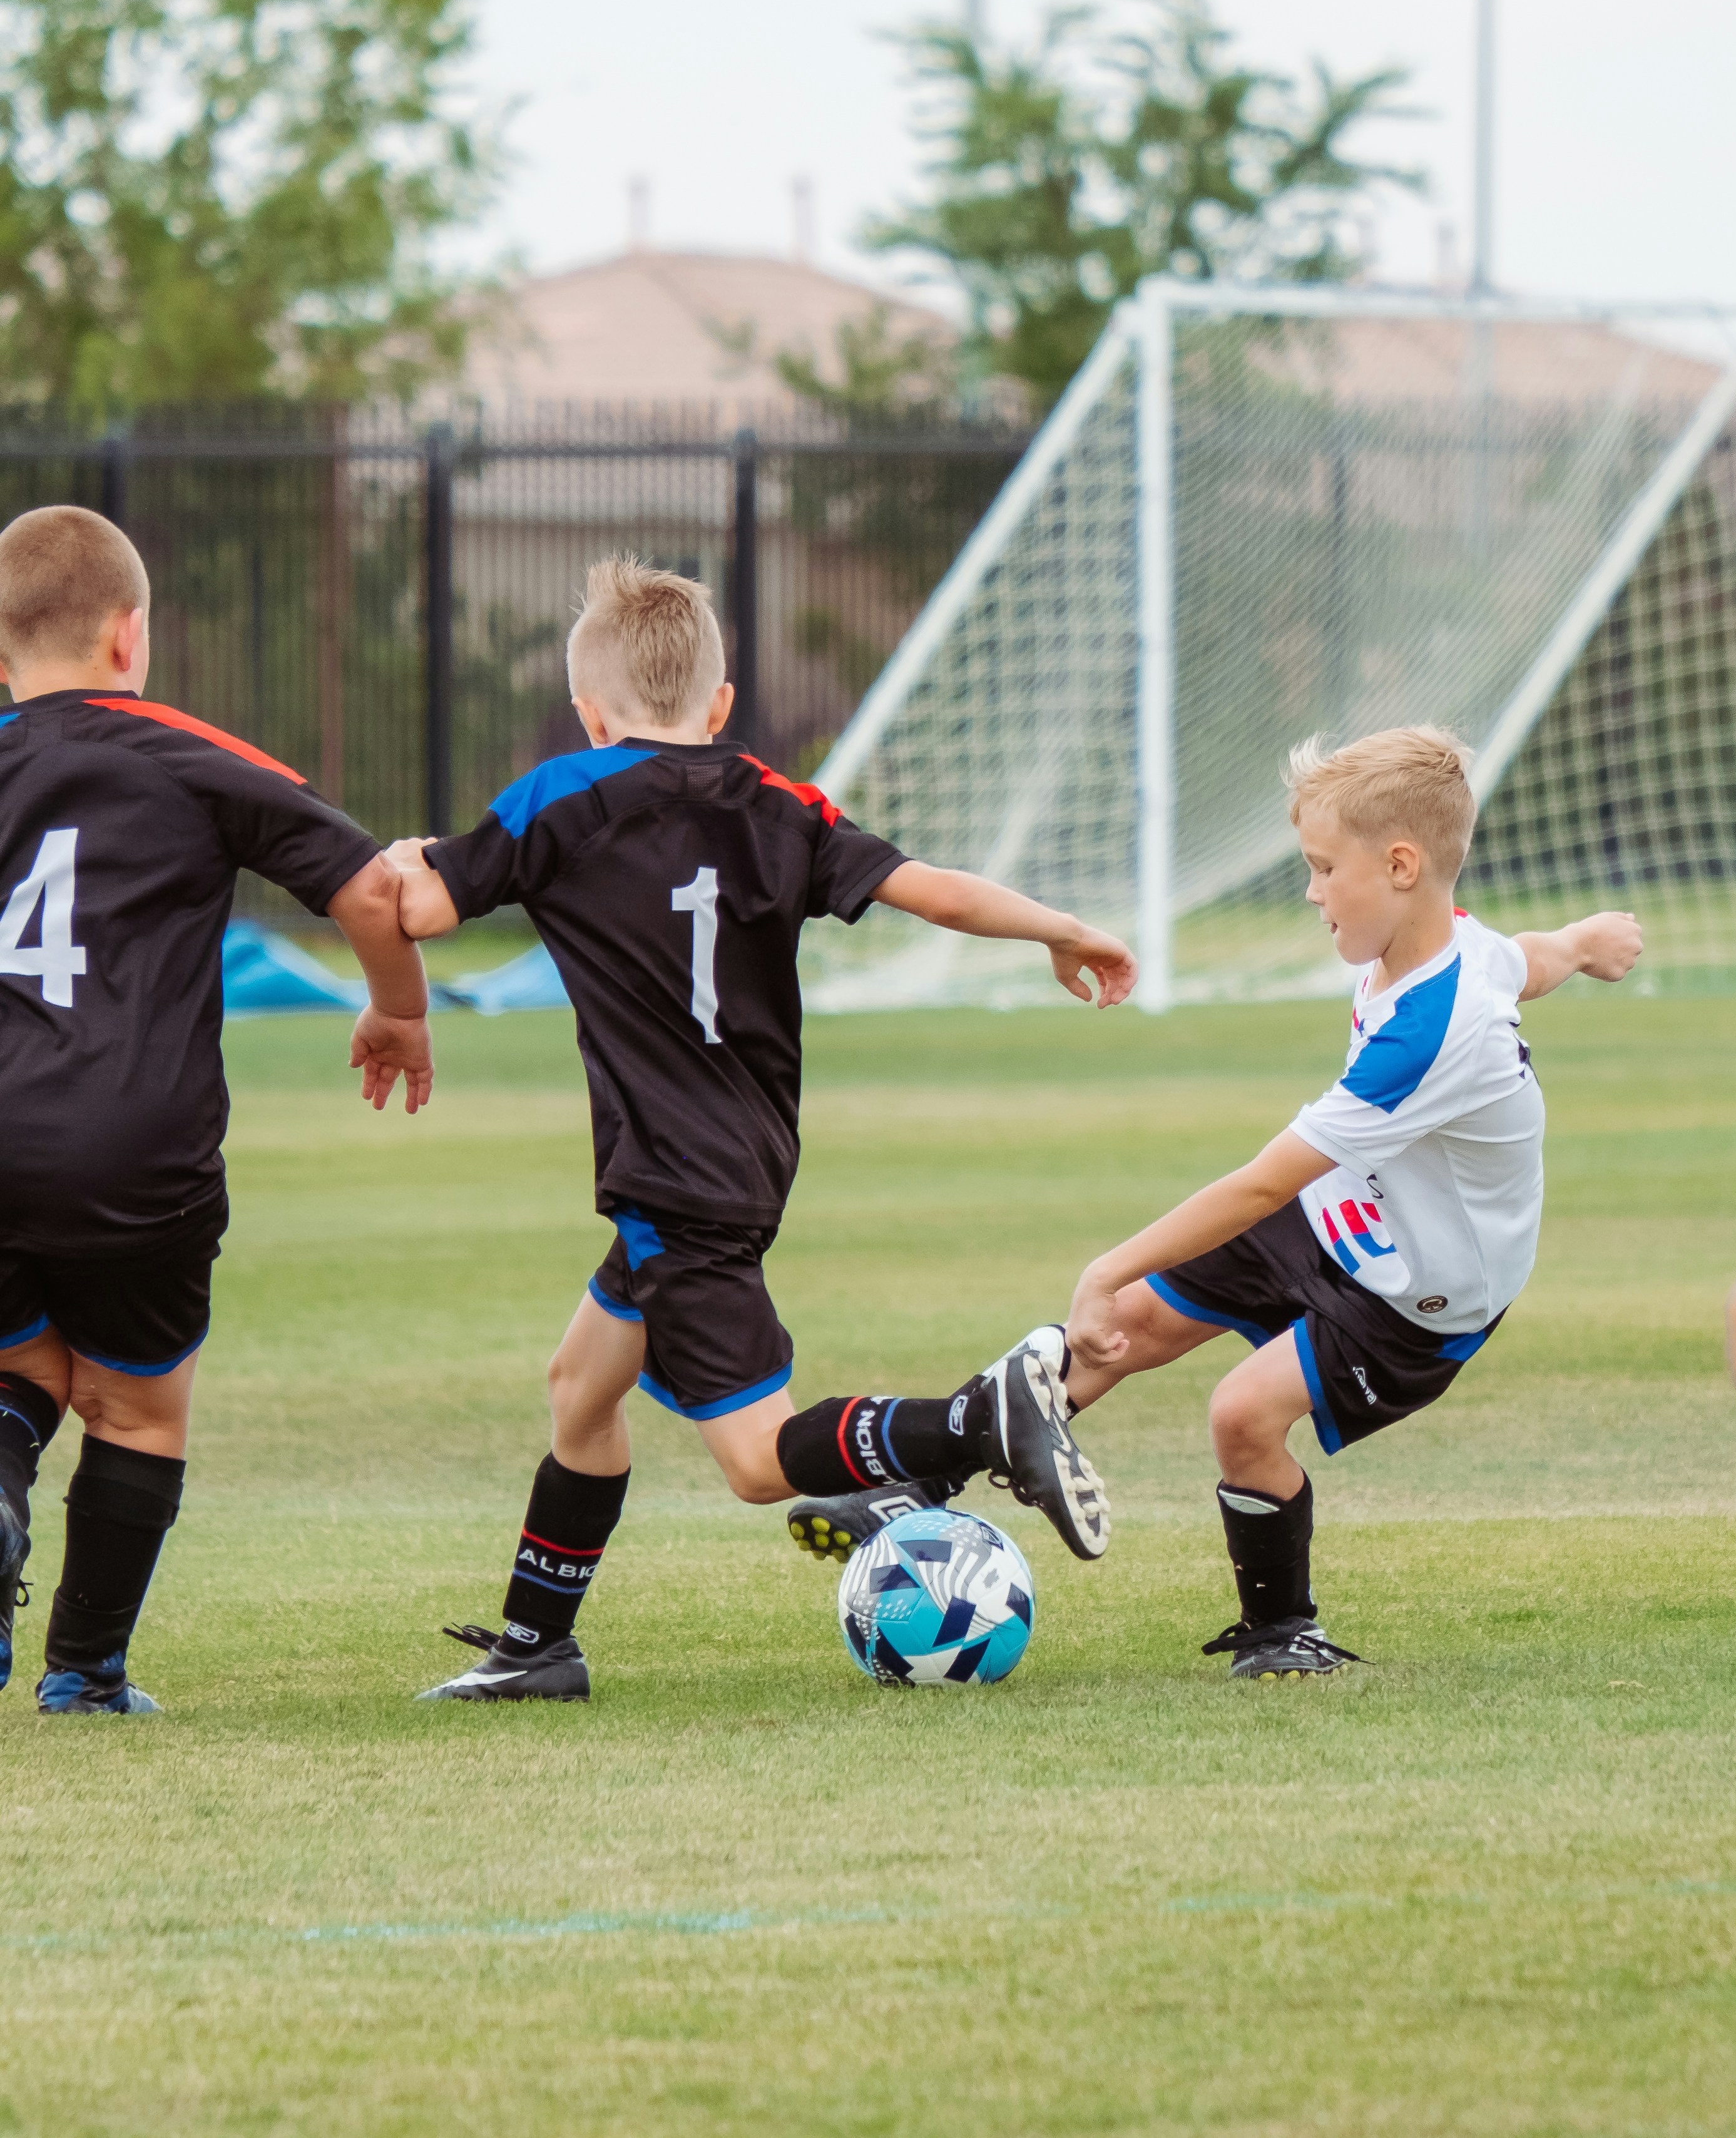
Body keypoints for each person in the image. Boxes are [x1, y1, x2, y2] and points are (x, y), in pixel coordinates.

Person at [389, 556, 1133, 1702]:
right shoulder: (780, 804)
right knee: (581, 1387)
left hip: (669, 1178)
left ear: (589, 714)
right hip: (742, 1157)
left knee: (753, 1462)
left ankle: (977, 1418)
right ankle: (538, 1643)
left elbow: (423, 906)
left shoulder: (561, 796)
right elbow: (926, 885)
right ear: (722, 706)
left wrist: (397, 864)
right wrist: (1061, 927)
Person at [1049, 723, 1644, 1678]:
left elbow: (1259, 1183)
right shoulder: (1447, 944)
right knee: (1121, 1323)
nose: (1313, 891)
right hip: (1353, 1208)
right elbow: (1521, 958)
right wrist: (1585, 940)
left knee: (1241, 1413)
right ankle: (932, 1462)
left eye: (1326, 868)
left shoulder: (1430, 1034)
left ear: (1401, 865)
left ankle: (1286, 1631)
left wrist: (1106, 1261)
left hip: (1422, 1298)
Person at [0, 506, 433, 1716]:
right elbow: (368, 888)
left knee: (19, 1362)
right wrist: (398, 1010)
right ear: (131, 635)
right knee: (136, 1400)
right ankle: (83, 1673)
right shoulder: (188, 753)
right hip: (137, 1141)